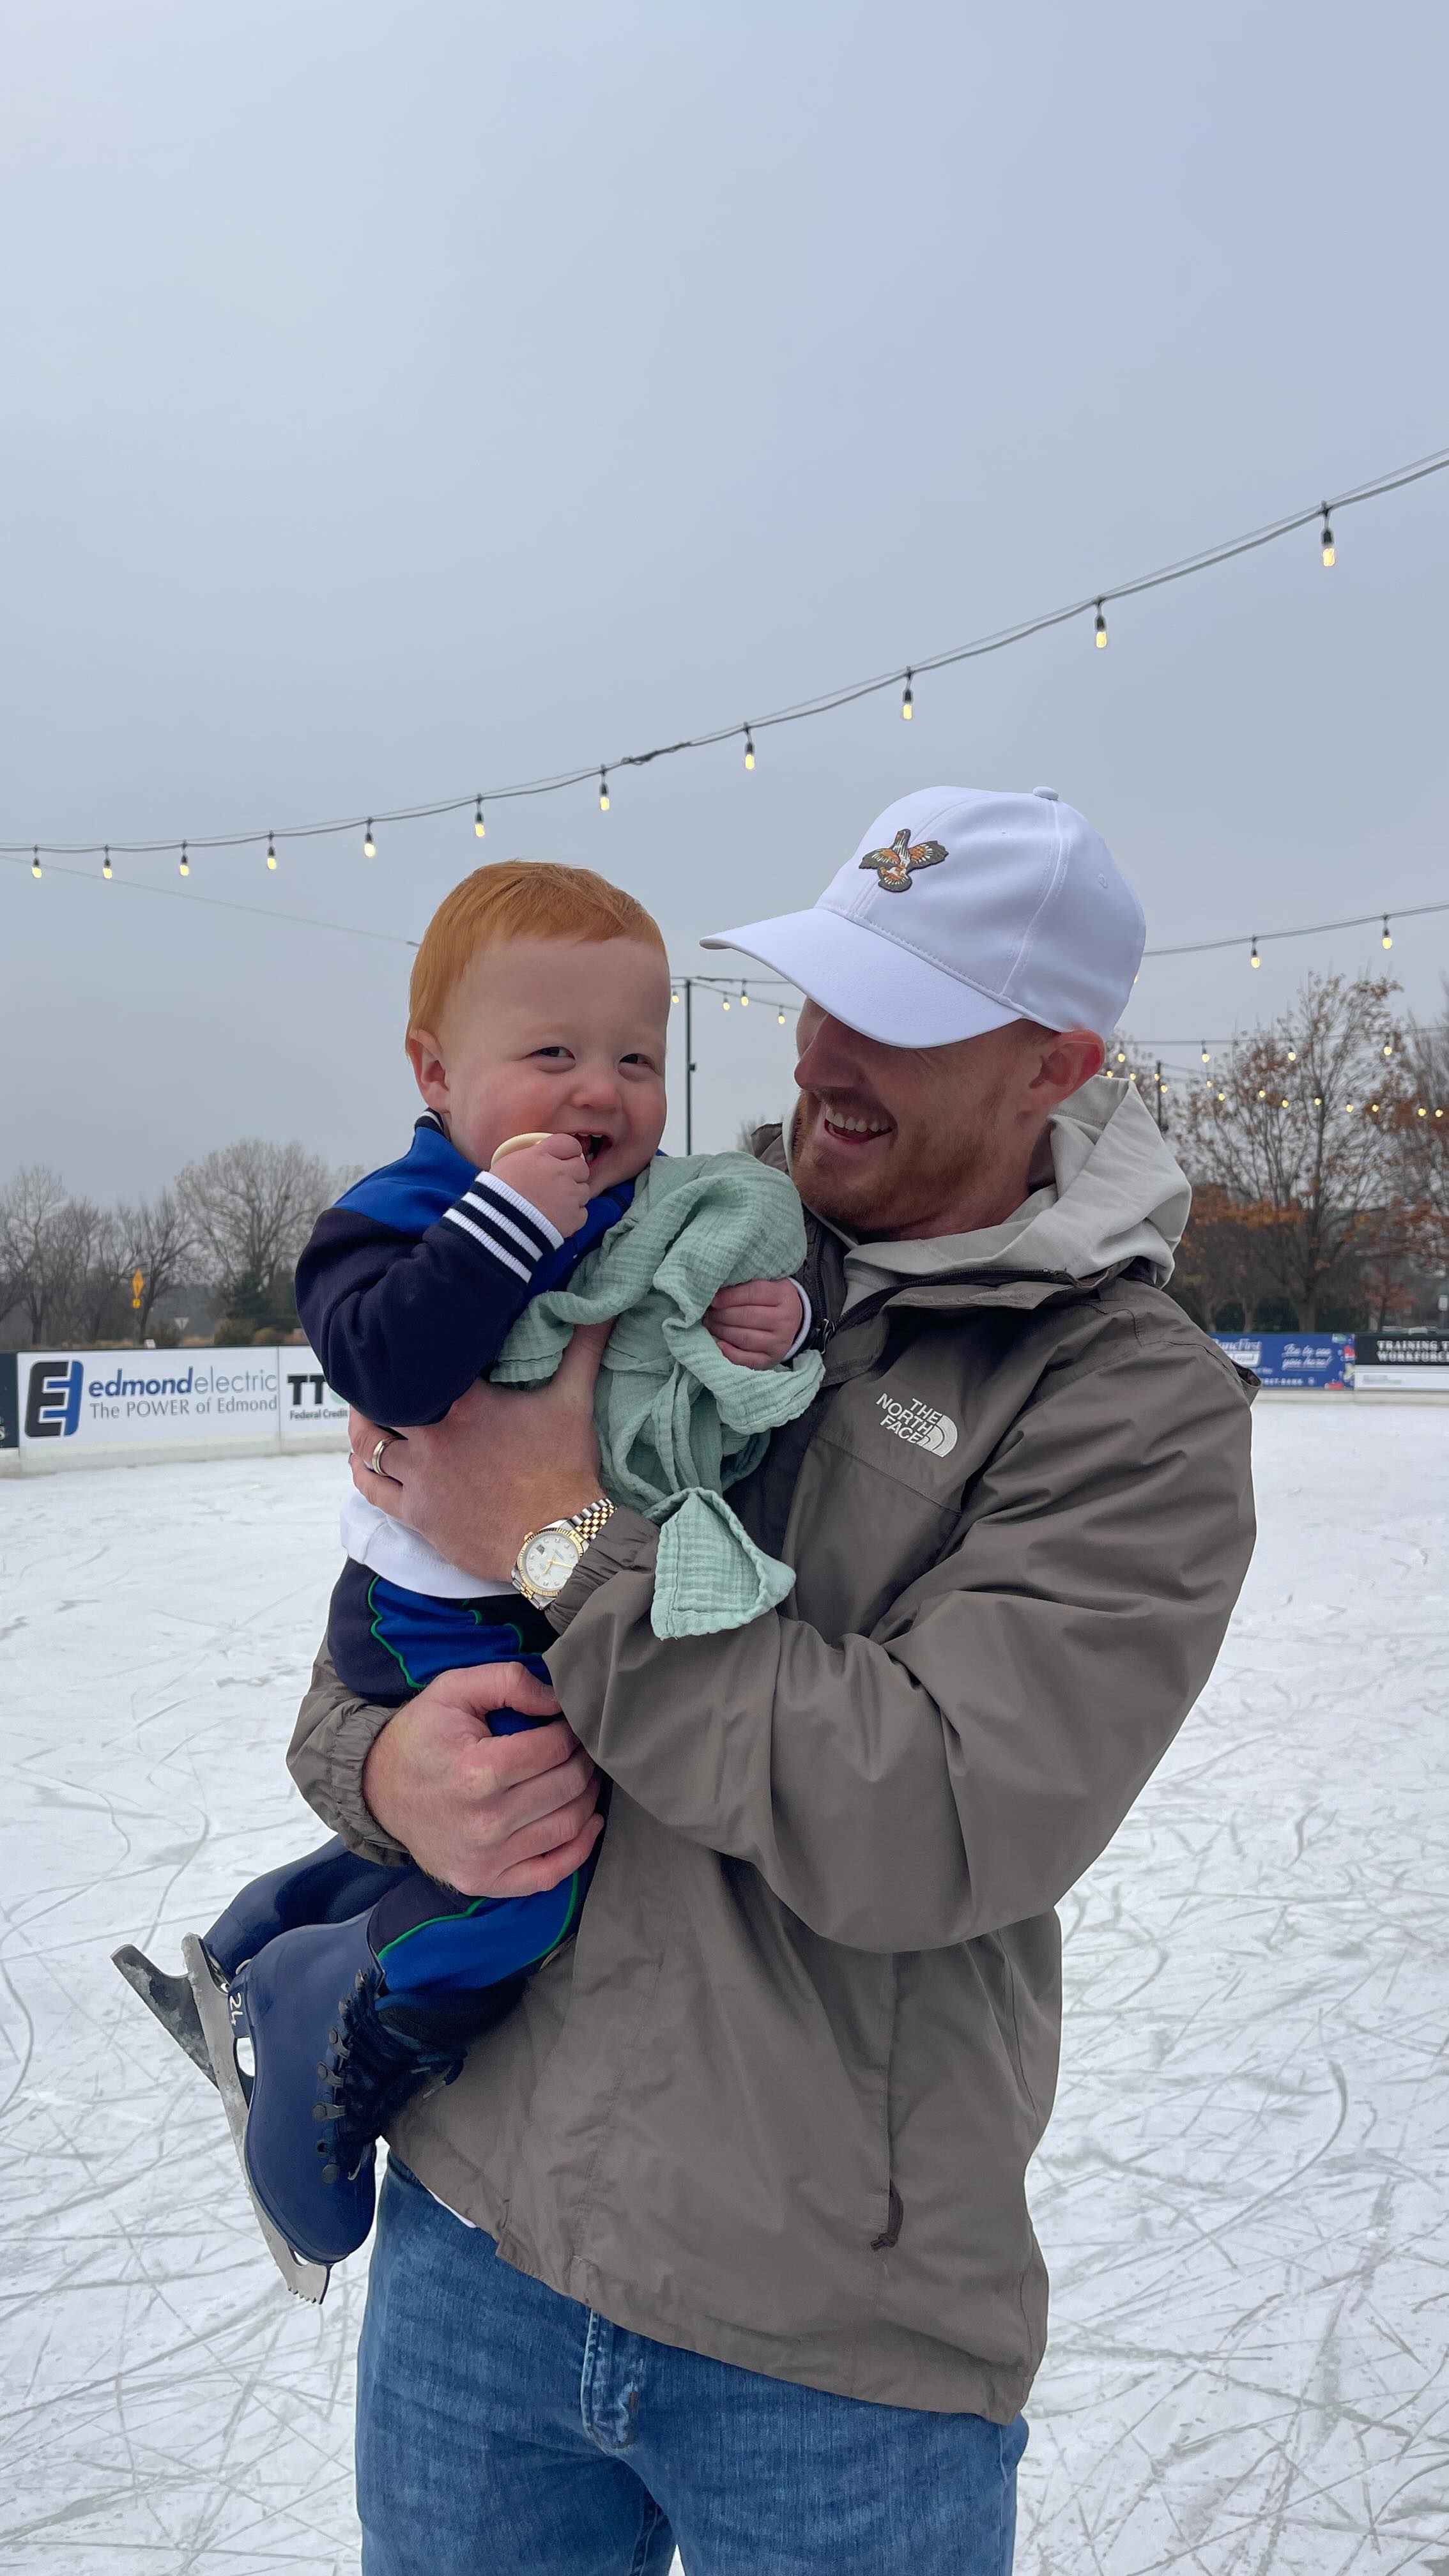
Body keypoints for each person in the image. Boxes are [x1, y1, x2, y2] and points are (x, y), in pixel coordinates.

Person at [289, 786, 1257, 2576]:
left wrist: (563, 1537)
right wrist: (383, 1772)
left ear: (1055, 1067)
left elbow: (931, 1817)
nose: (822, 1054)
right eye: (822, 992)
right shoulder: (658, 1244)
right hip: (482, 2246)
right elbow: (385, 1627)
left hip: (828, 2349)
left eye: (902, 1015)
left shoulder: (1130, 1406)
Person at [114, 859, 809, 2297]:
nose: (599, 1090)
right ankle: (331, 2005)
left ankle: (265, 1936)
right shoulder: (403, 1210)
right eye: (551, 1053)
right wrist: (503, 1222)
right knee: (529, 1874)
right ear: (436, 1073)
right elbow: (390, 1365)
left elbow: (695, 1288)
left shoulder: (645, 1205)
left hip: (548, 1592)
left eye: (634, 1058)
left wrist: (770, 1313)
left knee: (525, 1805)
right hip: (427, 1608)